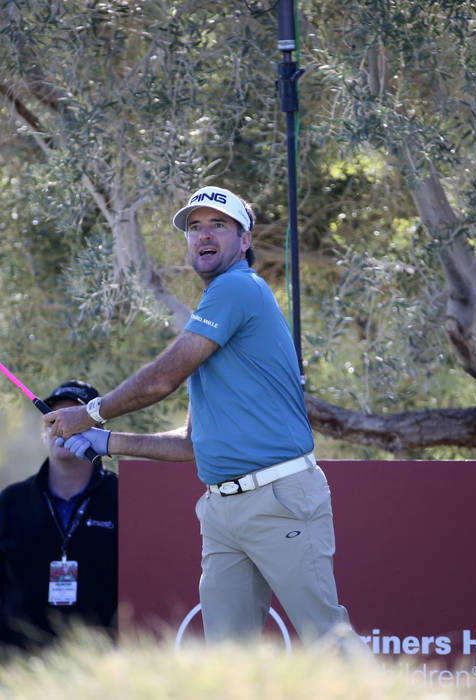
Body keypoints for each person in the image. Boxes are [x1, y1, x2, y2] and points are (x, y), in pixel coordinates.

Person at [45, 186, 357, 647]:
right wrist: (106, 442)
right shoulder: (215, 318)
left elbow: (160, 381)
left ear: (244, 240)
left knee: (327, 639)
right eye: (195, 227)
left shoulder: (237, 287)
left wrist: (89, 414)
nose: (204, 235)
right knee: (228, 660)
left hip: (279, 497)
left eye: (218, 225)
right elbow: (192, 443)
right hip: (222, 511)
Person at [0, 380, 117, 656]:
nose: (61, 428)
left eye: (74, 419)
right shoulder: (9, 502)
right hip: (20, 669)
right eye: (53, 419)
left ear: (100, 432)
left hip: (101, 668)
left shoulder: (122, 498)